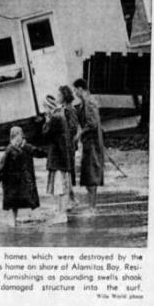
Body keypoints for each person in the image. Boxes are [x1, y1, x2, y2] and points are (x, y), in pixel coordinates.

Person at [0, 125, 40, 224]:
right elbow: (1, 168)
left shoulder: (17, 148)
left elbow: (1, 168)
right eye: (20, 135)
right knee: (18, 204)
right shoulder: (12, 150)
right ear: (15, 136)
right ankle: (13, 224)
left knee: (15, 204)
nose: (22, 138)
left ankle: (13, 223)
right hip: (13, 184)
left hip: (16, 184)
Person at [73, 77, 106, 209]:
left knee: (91, 177)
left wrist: (79, 134)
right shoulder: (86, 103)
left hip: (92, 144)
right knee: (89, 177)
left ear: (80, 89)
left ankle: (92, 208)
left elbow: (92, 124)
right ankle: (91, 206)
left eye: (75, 90)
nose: (75, 93)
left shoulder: (89, 103)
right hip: (89, 144)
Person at [40, 93, 75, 212]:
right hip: (62, 156)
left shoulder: (55, 118)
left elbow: (45, 135)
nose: (44, 110)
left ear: (48, 106)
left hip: (58, 157)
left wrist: (46, 121)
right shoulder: (60, 115)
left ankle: (62, 214)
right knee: (61, 187)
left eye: (45, 107)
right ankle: (61, 211)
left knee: (60, 188)